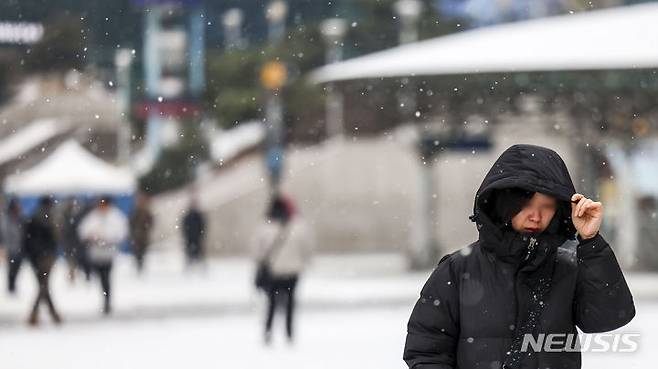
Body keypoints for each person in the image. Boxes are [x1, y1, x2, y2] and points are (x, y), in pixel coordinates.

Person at [403, 144, 636, 369]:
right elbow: (425, 350)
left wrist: (591, 241)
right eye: (526, 204)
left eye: (546, 205)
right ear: (504, 202)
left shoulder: (568, 268)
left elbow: (610, 317)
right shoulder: (458, 269)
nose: (536, 215)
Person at [254, 195, 313, 345]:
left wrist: (261, 263)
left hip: (274, 271)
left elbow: (258, 250)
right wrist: (305, 262)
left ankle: (268, 332)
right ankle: (289, 333)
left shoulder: (265, 226)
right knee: (290, 302)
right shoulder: (298, 226)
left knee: (272, 303)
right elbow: (306, 248)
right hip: (293, 271)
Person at [77, 196, 128, 315]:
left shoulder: (116, 217)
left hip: (108, 253)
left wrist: (106, 238)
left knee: (106, 277)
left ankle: (107, 300)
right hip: (95, 253)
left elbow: (121, 233)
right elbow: (83, 231)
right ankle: (105, 297)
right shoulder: (93, 216)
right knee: (100, 277)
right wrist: (92, 236)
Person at [24, 196, 62, 325]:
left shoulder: (34, 217)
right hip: (45, 257)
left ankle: (44, 313)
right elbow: (53, 239)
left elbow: (27, 240)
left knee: (43, 285)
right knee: (43, 286)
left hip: (37, 257)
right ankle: (47, 313)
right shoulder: (48, 219)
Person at [1, 198, 25, 294]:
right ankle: (11, 288)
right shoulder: (6, 219)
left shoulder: (20, 218)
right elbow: (4, 234)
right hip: (10, 248)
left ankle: (12, 286)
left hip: (19, 248)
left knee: (16, 268)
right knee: (12, 269)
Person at [130, 193, 153, 273]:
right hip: (136, 236)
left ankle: (140, 265)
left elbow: (150, 223)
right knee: (137, 252)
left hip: (143, 236)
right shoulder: (135, 211)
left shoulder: (146, 212)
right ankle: (138, 265)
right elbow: (131, 223)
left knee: (142, 252)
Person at [182, 199, 206, 266]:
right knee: (190, 251)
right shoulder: (189, 216)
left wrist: (200, 233)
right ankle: (190, 263)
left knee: (198, 251)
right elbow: (184, 226)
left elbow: (202, 225)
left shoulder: (198, 216)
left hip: (196, 236)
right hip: (190, 236)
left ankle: (197, 264)